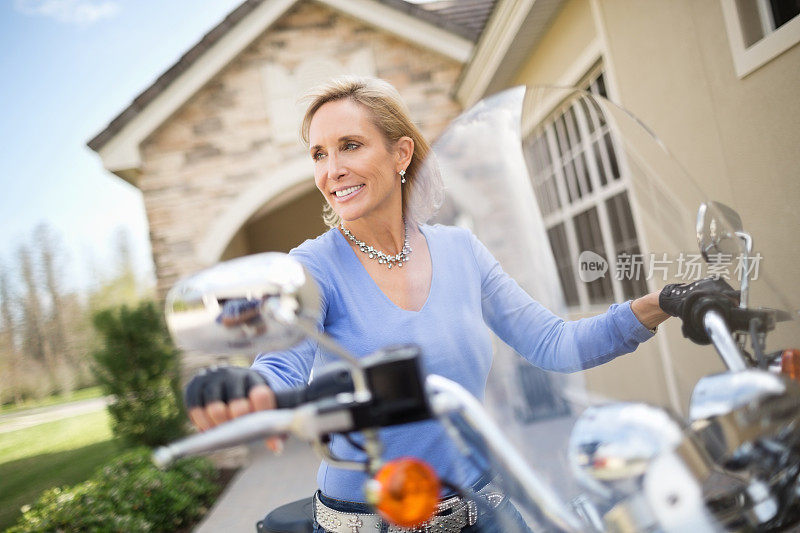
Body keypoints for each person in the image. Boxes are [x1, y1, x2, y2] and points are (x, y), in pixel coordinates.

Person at [184, 76, 699, 533]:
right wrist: (249, 389)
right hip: (369, 523)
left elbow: (554, 344)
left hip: (487, 512)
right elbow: (283, 362)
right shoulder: (313, 267)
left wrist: (667, 301)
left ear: (401, 154)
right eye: (319, 153)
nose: (332, 169)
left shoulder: (461, 249)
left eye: (350, 145)